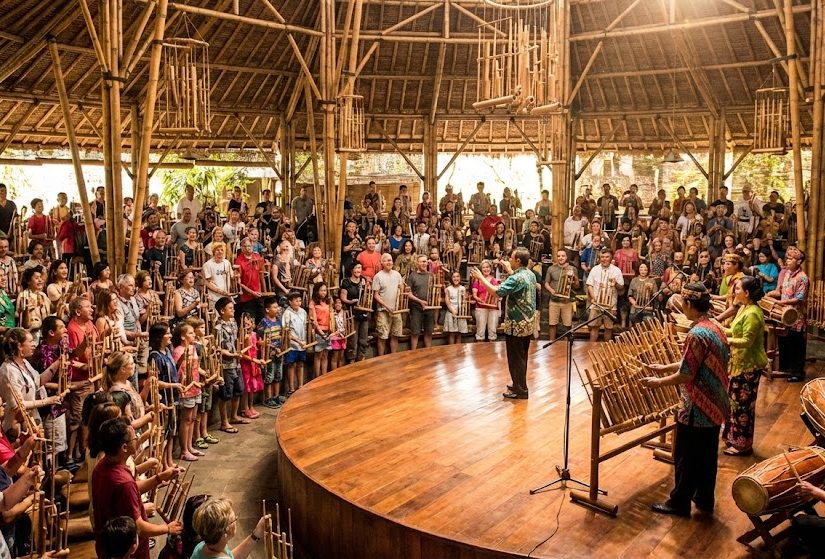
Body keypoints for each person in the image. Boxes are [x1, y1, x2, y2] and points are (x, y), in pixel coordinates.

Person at [641, 283, 730, 517]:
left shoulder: (696, 333)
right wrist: (663, 368)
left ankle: (679, 502)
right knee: (707, 455)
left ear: (689, 305)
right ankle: (704, 498)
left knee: (686, 455)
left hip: (697, 406)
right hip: (715, 402)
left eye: (682, 305)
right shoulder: (715, 327)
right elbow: (692, 364)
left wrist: (657, 381)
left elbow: (687, 374)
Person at [92, 417, 182, 559]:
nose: (137, 439)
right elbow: (138, 526)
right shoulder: (123, 482)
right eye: (134, 438)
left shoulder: (102, 466)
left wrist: (159, 478)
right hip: (127, 551)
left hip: (108, 547)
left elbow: (130, 491)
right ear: (124, 447)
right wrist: (167, 528)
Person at [470, 247, 536, 400]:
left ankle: (520, 390)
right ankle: (518, 383)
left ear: (518, 260)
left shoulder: (516, 278)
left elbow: (496, 291)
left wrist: (481, 277)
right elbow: (518, 283)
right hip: (527, 323)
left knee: (515, 358)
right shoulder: (529, 274)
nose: (509, 260)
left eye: (511, 258)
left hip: (516, 324)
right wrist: (509, 270)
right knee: (522, 356)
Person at [720, 276, 768, 457]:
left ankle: (743, 446)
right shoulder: (744, 308)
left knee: (743, 406)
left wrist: (725, 339)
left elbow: (747, 341)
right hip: (739, 363)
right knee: (734, 403)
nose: (734, 292)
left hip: (749, 366)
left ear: (747, 293)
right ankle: (734, 438)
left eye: (738, 289)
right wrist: (718, 328)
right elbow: (734, 331)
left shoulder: (754, 313)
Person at [765, 246, 809, 382]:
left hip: (797, 316)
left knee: (796, 343)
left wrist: (780, 304)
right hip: (784, 313)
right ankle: (786, 369)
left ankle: (797, 372)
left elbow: (798, 299)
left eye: (791, 259)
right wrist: (771, 295)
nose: (788, 261)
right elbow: (781, 292)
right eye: (787, 258)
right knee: (785, 340)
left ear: (799, 261)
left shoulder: (803, 278)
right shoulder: (787, 274)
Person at [190, 497, 269, 559]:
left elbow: (230, 557)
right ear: (225, 532)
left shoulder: (201, 547)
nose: (236, 521)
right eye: (234, 519)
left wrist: (255, 535)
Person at [214, 297, 246, 433]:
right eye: (230, 308)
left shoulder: (233, 323)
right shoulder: (218, 327)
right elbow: (217, 347)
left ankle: (234, 416)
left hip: (236, 362)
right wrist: (231, 354)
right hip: (226, 364)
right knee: (226, 394)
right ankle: (224, 421)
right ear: (222, 311)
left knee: (238, 390)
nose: (233, 310)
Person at [586, 248, 624, 342]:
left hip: (611, 305)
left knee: (608, 328)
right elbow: (589, 285)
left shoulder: (617, 270)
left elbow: (621, 288)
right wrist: (593, 297)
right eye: (602, 257)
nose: (604, 259)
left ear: (611, 258)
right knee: (594, 327)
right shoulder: (595, 269)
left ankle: (606, 351)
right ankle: (591, 349)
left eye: (607, 257)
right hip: (596, 304)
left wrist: (615, 283)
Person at [372, 253, 404, 356]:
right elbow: (376, 295)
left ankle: (393, 356)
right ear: (381, 263)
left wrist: (401, 300)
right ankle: (381, 358)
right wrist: (386, 306)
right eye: (386, 260)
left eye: (390, 260)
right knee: (382, 335)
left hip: (396, 310)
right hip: (383, 310)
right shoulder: (378, 276)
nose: (389, 262)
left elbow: (401, 288)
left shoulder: (397, 274)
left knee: (395, 334)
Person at [544, 249, 579, 340]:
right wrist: (551, 291)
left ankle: (567, 344)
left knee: (568, 325)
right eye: (558, 256)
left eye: (563, 256)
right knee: (552, 324)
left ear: (566, 257)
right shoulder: (551, 268)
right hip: (554, 300)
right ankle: (551, 342)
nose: (560, 258)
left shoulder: (573, 269)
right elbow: (546, 283)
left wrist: (574, 278)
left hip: (567, 301)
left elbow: (577, 286)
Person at [339, 263, 369, 362]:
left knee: (363, 338)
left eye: (360, 268)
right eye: (356, 268)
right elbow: (343, 298)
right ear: (352, 270)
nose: (358, 270)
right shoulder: (346, 282)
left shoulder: (363, 281)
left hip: (363, 313)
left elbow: (367, 296)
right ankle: (351, 360)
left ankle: (361, 359)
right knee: (353, 339)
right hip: (352, 313)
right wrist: (351, 302)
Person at [405, 255, 435, 350]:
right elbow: (408, 294)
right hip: (416, 308)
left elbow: (434, 291)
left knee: (429, 332)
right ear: (417, 263)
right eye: (421, 261)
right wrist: (420, 301)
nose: (423, 263)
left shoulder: (431, 275)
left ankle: (428, 353)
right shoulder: (412, 276)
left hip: (429, 308)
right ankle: (413, 354)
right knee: (415, 332)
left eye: (425, 261)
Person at [282, 291, 308, 391]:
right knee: (291, 365)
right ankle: (291, 388)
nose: (298, 303)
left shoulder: (303, 312)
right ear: (290, 302)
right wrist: (297, 341)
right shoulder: (287, 313)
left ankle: (300, 386)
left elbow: (305, 327)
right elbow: (286, 331)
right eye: (296, 301)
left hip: (303, 342)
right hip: (292, 344)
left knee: (301, 364)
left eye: (300, 300)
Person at [472, 260, 500, 342]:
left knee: (492, 329)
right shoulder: (477, 280)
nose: (485, 269)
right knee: (480, 329)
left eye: (487, 267)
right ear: (481, 269)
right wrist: (477, 298)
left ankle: (492, 350)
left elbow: (498, 293)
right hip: (481, 307)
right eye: (483, 267)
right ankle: (480, 351)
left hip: (493, 308)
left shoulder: (495, 281)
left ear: (491, 268)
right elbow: (474, 294)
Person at [443, 272, 468, 345]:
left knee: (459, 332)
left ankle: (458, 350)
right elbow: (447, 301)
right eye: (454, 277)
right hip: (451, 312)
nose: (456, 278)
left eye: (457, 277)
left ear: (460, 278)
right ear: (451, 278)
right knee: (452, 333)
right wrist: (452, 310)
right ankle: (452, 351)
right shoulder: (448, 289)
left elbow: (464, 300)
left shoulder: (462, 288)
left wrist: (462, 309)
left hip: (460, 312)